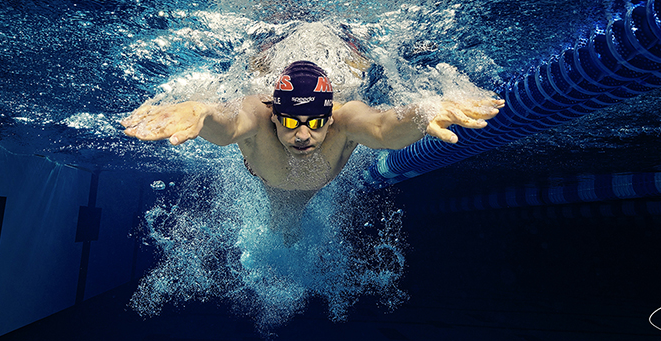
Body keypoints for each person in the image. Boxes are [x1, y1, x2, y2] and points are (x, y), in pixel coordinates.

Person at [122, 60, 503, 243]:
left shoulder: (345, 118)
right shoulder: (259, 113)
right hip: (272, 186)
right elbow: (229, 127)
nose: (302, 135)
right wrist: (202, 112)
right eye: (290, 122)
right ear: (274, 115)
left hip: (313, 185)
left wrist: (424, 113)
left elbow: (385, 128)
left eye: (314, 122)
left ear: (329, 115)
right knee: (283, 227)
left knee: (290, 228)